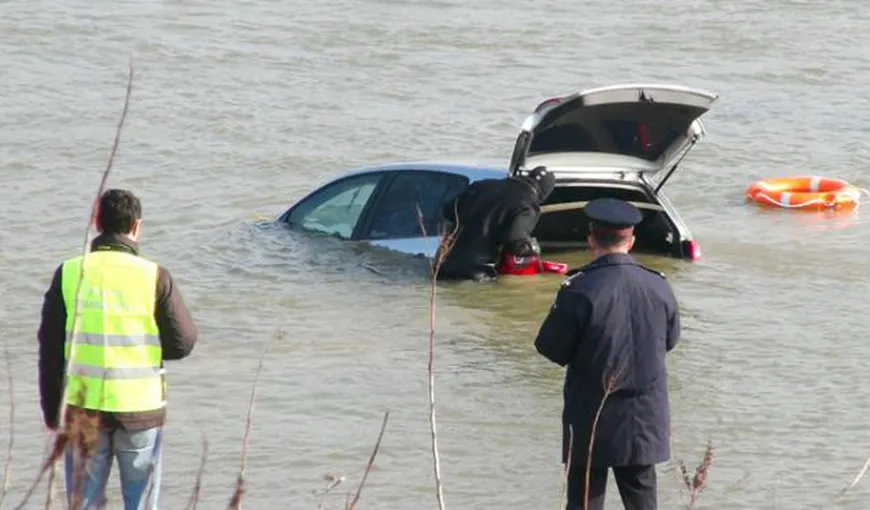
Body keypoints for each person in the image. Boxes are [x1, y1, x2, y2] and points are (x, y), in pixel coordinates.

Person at [37, 188, 198, 510]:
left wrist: (52, 410)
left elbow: (50, 348)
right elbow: (183, 342)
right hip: (140, 411)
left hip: (83, 411)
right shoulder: (155, 276)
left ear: (97, 222)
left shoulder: (70, 273)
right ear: (136, 226)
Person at [533, 198, 681, 510]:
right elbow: (669, 340)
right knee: (643, 504)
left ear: (591, 239)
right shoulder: (659, 285)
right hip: (644, 416)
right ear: (632, 240)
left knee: (585, 502)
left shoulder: (579, 288)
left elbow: (551, 348)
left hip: (591, 415)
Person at [437, 165, 557, 281]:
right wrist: (533, 248)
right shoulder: (528, 206)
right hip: (477, 273)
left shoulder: (481, 186)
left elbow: (448, 211)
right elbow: (515, 240)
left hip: (444, 266)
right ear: (544, 194)